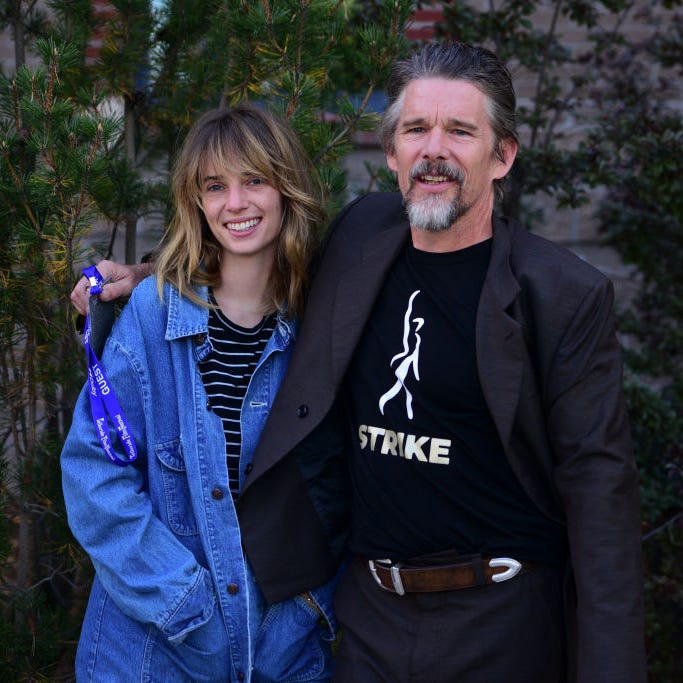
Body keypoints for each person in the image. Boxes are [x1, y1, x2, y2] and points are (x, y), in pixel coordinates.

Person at [71, 43, 647, 682]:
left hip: (500, 622)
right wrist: (150, 275)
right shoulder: (360, 239)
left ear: (503, 154)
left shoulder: (561, 295)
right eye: (415, 129)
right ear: (392, 151)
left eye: (460, 131)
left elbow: (603, 508)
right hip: (370, 623)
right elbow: (252, 255)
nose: (434, 150)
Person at [61, 105, 347, 683]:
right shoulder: (153, 315)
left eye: (254, 180)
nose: (235, 203)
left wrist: (313, 608)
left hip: (283, 650)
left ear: (286, 188)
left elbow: (350, 485)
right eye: (215, 186)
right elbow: (96, 476)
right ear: (196, 202)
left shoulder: (326, 323)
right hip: (150, 652)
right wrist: (186, 608)